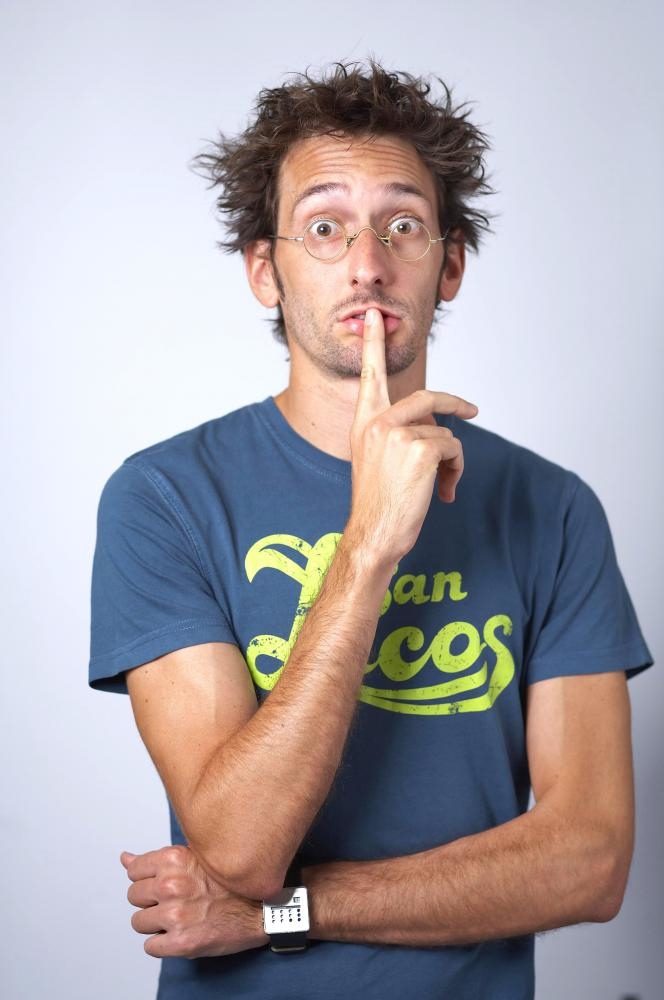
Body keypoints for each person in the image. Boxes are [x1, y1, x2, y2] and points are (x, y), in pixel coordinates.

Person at [89, 61, 653, 1000]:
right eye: (325, 227)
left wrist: (280, 914)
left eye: (403, 225)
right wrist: (369, 545)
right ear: (265, 271)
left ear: (450, 264)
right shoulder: (164, 497)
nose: (367, 263)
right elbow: (237, 846)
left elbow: (590, 861)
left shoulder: (553, 509)